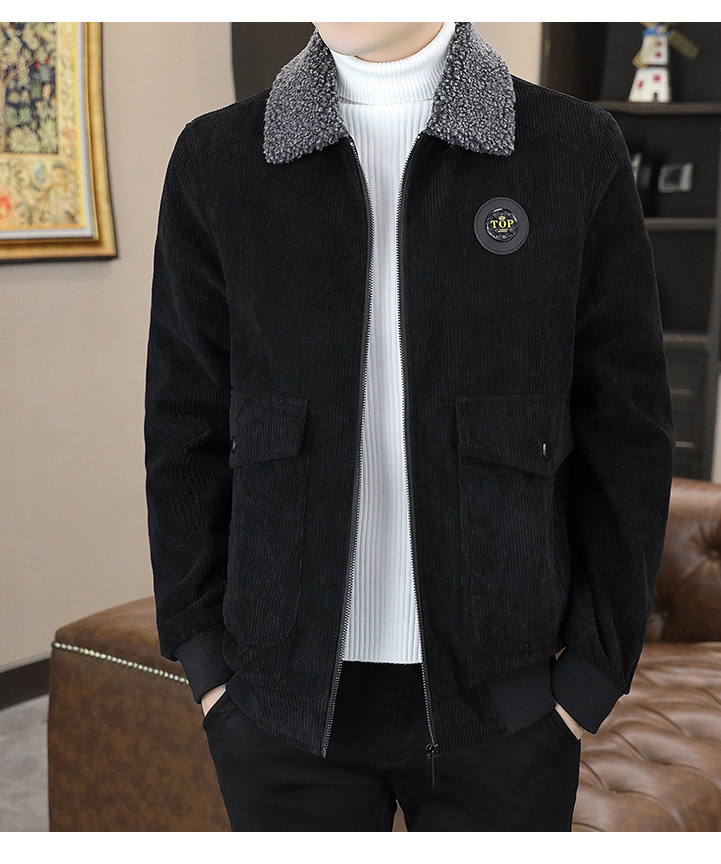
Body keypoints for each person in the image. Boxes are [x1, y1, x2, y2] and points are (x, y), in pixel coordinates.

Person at [144, 21, 675, 831]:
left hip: (507, 700)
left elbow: (627, 429)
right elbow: (183, 424)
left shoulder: (572, 149)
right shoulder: (218, 159)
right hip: (276, 701)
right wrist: (206, 660)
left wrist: (592, 675)